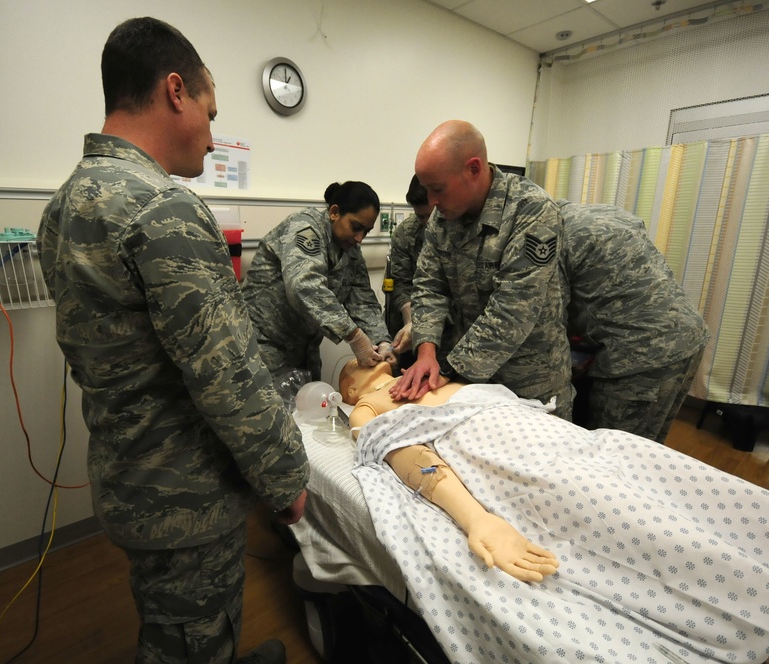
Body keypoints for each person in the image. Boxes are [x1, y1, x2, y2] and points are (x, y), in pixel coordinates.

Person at [37, 18, 308, 664]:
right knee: (192, 639)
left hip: (128, 474)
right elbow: (230, 376)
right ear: (175, 90)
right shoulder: (163, 208)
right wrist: (287, 478)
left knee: (170, 618)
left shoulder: (67, 204)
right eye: (211, 117)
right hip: (185, 496)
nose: (213, 141)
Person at [341, 359, 769, 664]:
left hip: (592, 446)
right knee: (693, 551)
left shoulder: (429, 374)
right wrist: (477, 518)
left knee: (748, 514)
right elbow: (404, 454)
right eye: (360, 368)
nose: (375, 363)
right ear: (348, 387)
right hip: (531, 469)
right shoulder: (371, 404)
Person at [392, 120, 574, 421]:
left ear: (473, 169)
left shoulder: (533, 212)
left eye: (437, 189)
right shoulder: (444, 218)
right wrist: (426, 352)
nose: (432, 202)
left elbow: (513, 310)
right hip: (470, 382)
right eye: (427, 191)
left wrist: (448, 368)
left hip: (528, 386)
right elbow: (429, 286)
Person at [558, 200, 710, 442]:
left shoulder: (548, 234)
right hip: (687, 335)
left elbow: (549, 322)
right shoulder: (603, 211)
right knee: (645, 448)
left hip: (642, 355)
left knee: (613, 454)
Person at [242, 181, 394, 387]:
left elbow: (363, 302)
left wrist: (382, 342)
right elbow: (304, 285)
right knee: (272, 414)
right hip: (265, 346)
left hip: (305, 349)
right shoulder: (305, 228)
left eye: (366, 231)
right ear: (334, 212)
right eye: (356, 227)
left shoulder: (351, 251)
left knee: (310, 413)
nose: (360, 238)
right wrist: (355, 337)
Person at [384, 175, 459, 369]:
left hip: (456, 338)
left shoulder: (457, 228)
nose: (427, 222)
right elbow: (401, 283)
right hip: (413, 338)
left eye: (431, 215)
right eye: (421, 216)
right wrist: (411, 322)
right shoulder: (406, 233)